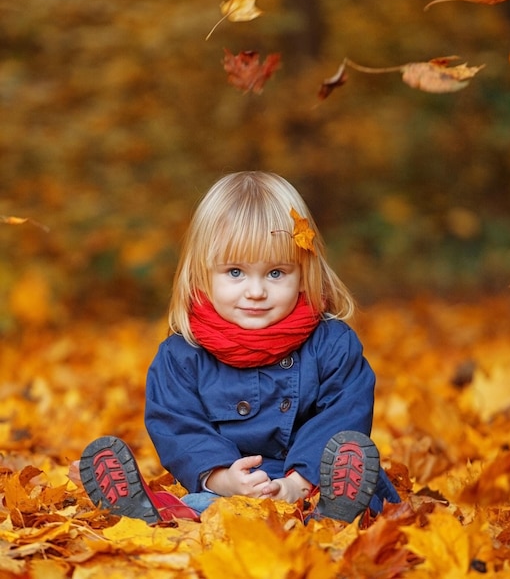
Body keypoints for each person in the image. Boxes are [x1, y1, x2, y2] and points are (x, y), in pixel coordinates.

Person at [79, 171, 400, 524]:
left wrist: (297, 483)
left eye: (276, 273)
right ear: (203, 273)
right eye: (235, 272)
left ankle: (331, 516)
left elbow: (343, 414)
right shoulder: (182, 355)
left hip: (314, 482)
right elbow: (179, 426)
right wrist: (222, 477)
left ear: (304, 272)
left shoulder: (332, 344)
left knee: (360, 494)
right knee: (204, 509)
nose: (256, 291)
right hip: (226, 491)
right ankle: (150, 511)